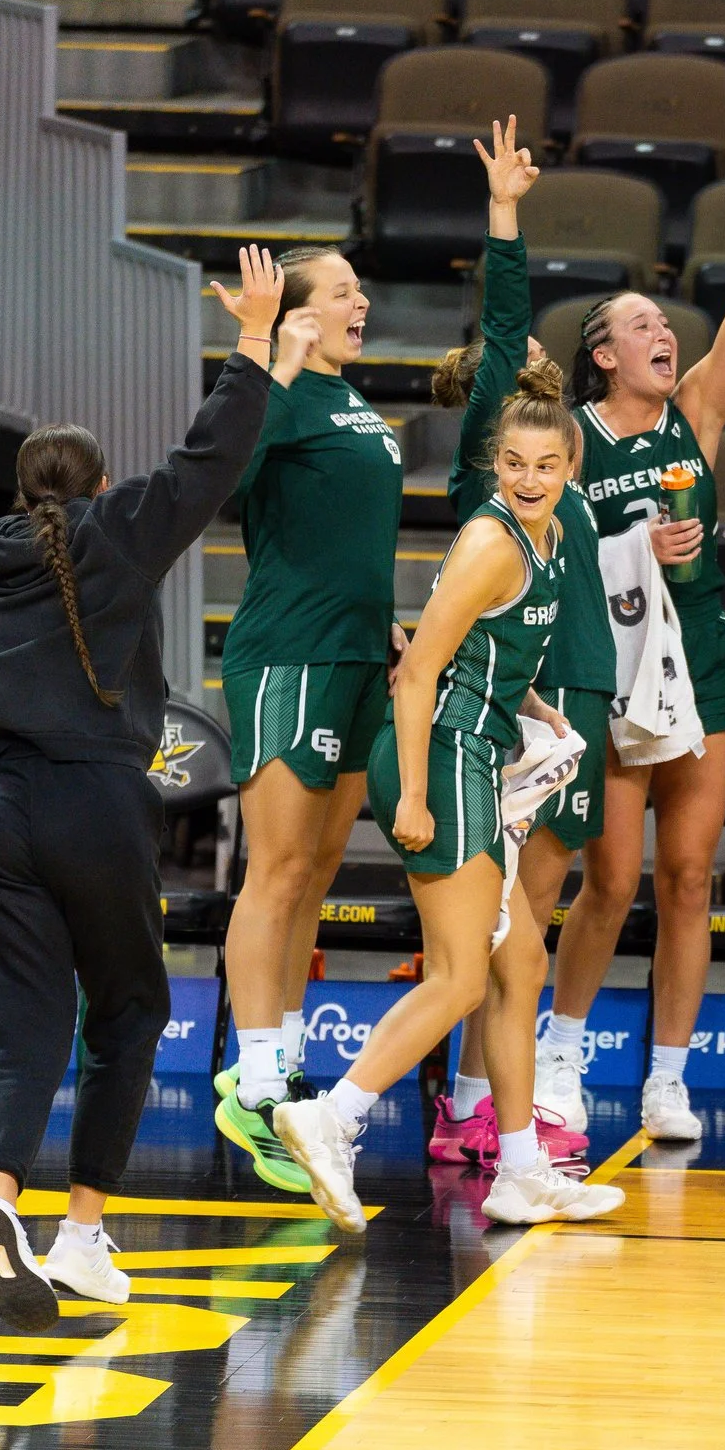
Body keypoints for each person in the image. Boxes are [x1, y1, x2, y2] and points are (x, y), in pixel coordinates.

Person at [0, 247, 280, 1328]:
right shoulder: (120, 530)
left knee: (26, 1027)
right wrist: (252, 337)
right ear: (99, 486)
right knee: (133, 1008)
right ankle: (84, 1231)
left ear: (18, 495)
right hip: (98, 808)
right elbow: (211, 455)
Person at [271, 363, 625, 1230]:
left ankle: (520, 1169)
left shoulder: (550, 539)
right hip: (444, 756)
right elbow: (420, 670)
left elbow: (492, 662)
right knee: (465, 972)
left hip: (481, 746)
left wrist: (545, 719)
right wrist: (418, 796)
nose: (529, 478)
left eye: (545, 464)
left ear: (571, 466)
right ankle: (333, 1114)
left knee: (520, 965)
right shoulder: (492, 541)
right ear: (495, 464)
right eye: (514, 463)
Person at [540, 97, 725, 1144]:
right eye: (641, 327)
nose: (664, 332)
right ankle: (560, 1055)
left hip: (698, 658)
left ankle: (668, 1076)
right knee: (609, 877)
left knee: (691, 875)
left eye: (665, 324)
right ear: (602, 354)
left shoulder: (694, 413)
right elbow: (548, 549)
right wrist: (628, 552)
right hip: (606, 670)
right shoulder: (566, 439)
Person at [212, 240, 406, 1197]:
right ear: (299, 312)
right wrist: (267, 351)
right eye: (342, 291)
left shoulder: (355, 402)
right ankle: (252, 1081)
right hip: (288, 653)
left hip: (361, 654)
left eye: (361, 290)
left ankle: (281, 1065)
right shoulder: (278, 388)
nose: (361, 301)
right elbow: (224, 475)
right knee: (277, 870)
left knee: (317, 872)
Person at [426, 118, 597, 1165]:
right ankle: (468, 1102)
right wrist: (505, 216)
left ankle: (495, 1108)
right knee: (496, 930)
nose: (536, 360)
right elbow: (504, 320)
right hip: (482, 719)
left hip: (547, 701)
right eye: (519, 358)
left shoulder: (562, 470)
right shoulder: (499, 468)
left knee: (523, 926)